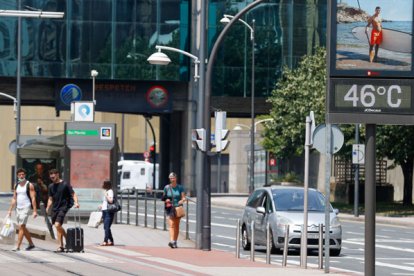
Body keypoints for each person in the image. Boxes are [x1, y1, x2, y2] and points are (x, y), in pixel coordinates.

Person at [45, 169, 79, 252]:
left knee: (57, 225)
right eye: (51, 175)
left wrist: (76, 202)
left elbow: (73, 194)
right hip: (55, 208)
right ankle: (61, 246)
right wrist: (47, 207)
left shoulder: (65, 184)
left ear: (58, 175)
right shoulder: (50, 186)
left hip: (63, 207)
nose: (52, 177)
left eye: (54, 175)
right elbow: (50, 198)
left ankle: (67, 239)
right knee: (58, 227)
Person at [7, 168, 37, 251]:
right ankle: (31, 244)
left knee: (21, 226)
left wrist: (34, 210)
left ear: (25, 175)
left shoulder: (29, 185)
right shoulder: (16, 185)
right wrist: (10, 210)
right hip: (18, 208)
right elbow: (14, 198)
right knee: (22, 227)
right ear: (17, 176)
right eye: (20, 175)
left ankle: (18, 246)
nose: (21, 176)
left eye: (23, 174)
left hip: (26, 207)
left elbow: (33, 198)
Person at [162, 172, 186, 249]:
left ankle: (175, 241)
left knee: (176, 225)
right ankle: (172, 241)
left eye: (173, 178)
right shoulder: (166, 187)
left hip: (178, 208)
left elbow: (183, 198)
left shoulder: (180, 187)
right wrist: (166, 200)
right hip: (169, 208)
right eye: (171, 178)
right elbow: (163, 198)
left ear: (176, 178)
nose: (172, 179)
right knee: (171, 224)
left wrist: (182, 201)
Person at [99, 180, 115, 246]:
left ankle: (105, 241)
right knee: (106, 227)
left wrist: (106, 195)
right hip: (104, 210)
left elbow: (111, 201)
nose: (102, 185)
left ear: (106, 185)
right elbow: (105, 202)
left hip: (108, 211)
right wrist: (101, 205)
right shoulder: (106, 191)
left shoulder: (110, 191)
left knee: (106, 226)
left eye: (103, 184)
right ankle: (111, 240)